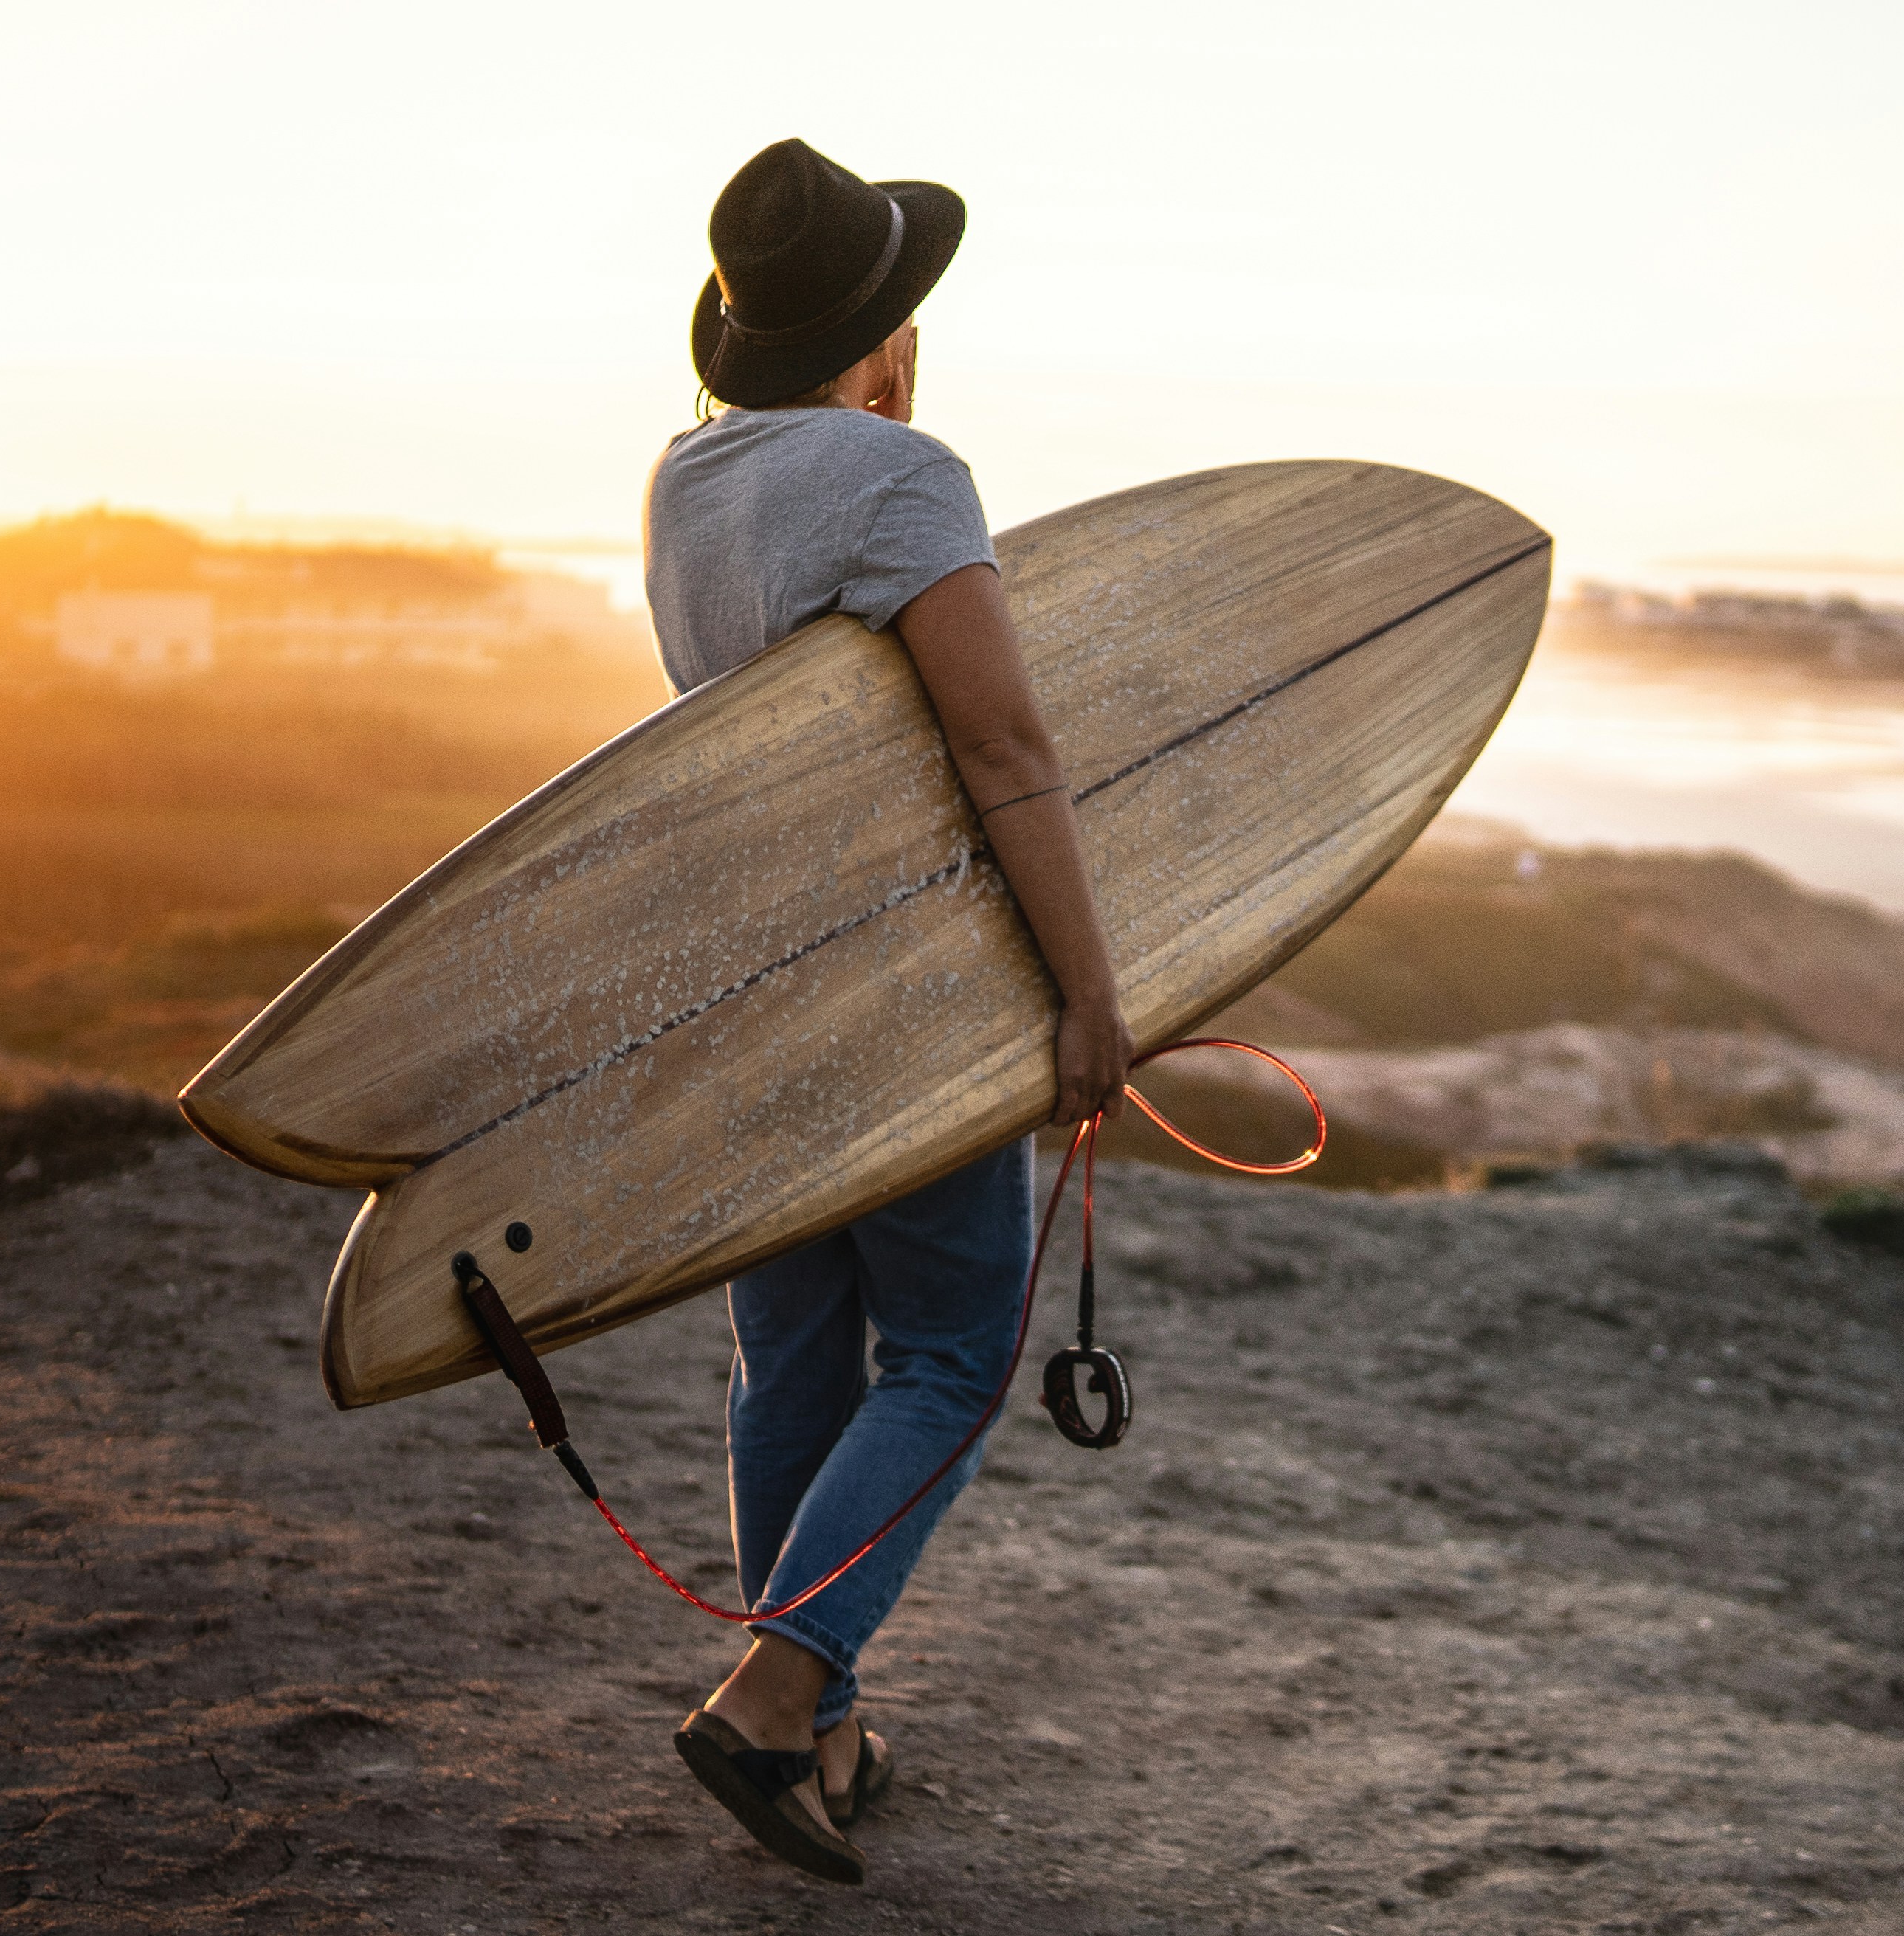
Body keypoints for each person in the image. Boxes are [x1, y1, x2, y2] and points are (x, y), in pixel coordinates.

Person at [641, 137, 1134, 1887]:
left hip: (750, 997)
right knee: (942, 1356)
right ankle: (776, 1695)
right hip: (905, 993)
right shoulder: (903, 475)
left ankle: (822, 1726)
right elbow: (1003, 750)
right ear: (888, 331)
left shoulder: (681, 482)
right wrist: (1091, 993)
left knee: (792, 1363)